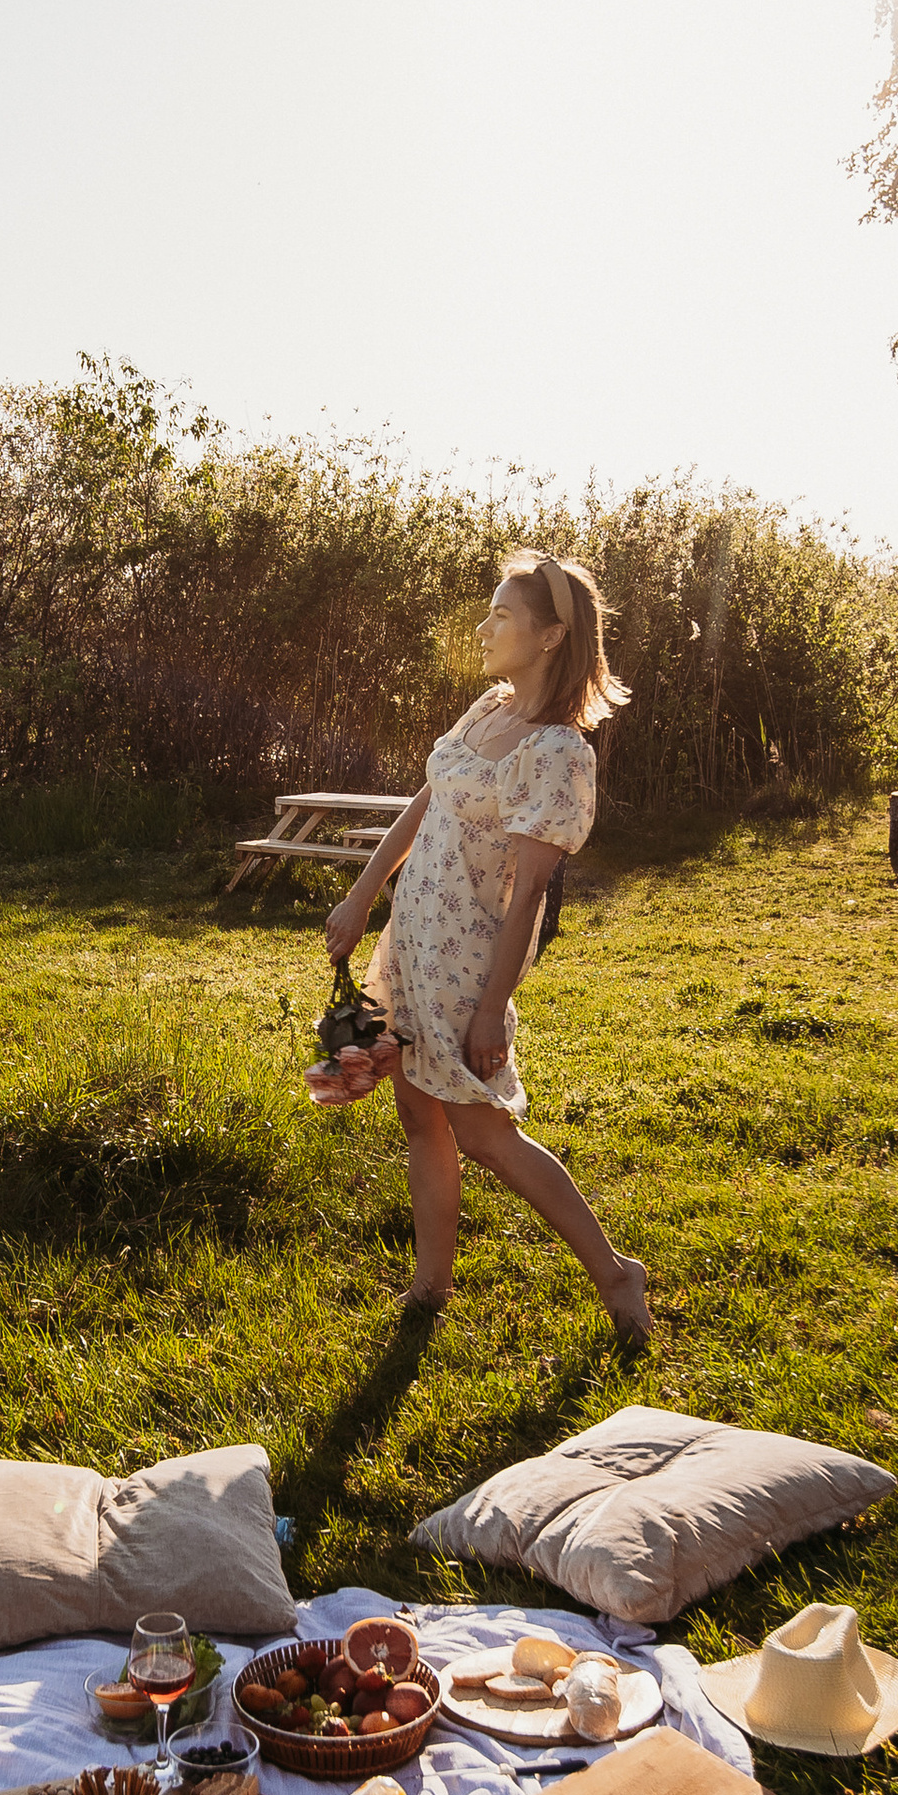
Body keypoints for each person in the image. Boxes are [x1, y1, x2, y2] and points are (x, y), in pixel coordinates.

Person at [320, 549, 650, 1342]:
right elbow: (425, 802)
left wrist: (492, 1006)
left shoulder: (561, 754)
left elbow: (531, 892)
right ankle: (430, 1287)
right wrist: (364, 894)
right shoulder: (487, 710)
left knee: (482, 1132)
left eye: (502, 614)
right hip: (414, 944)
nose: (484, 626)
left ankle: (615, 1273)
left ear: (550, 636)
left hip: (470, 964)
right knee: (417, 1114)